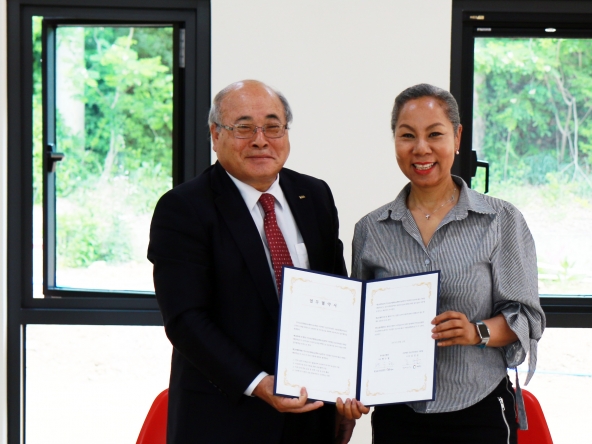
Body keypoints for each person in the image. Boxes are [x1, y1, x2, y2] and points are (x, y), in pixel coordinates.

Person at [336, 83, 545, 443]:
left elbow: (527, 318)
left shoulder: (500, 220)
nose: (421, 149)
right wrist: (351, 386)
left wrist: (476, 331)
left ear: (457, 136)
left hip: (477, 409)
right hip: (397, 414)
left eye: (435, 134)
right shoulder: (371, 230)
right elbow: (360, 327)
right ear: (395, 141)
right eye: (407, 136)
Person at [148, 80, 354, 443]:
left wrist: (346, 389)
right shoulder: (184, 208)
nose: (261, 139)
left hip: (309, 418)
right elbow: (185, 319)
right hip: (224, 418)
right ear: (215, 134)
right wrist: (259, 384)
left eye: (273, 126)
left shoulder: (315, 196)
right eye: (243, 127)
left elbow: (339, 299)